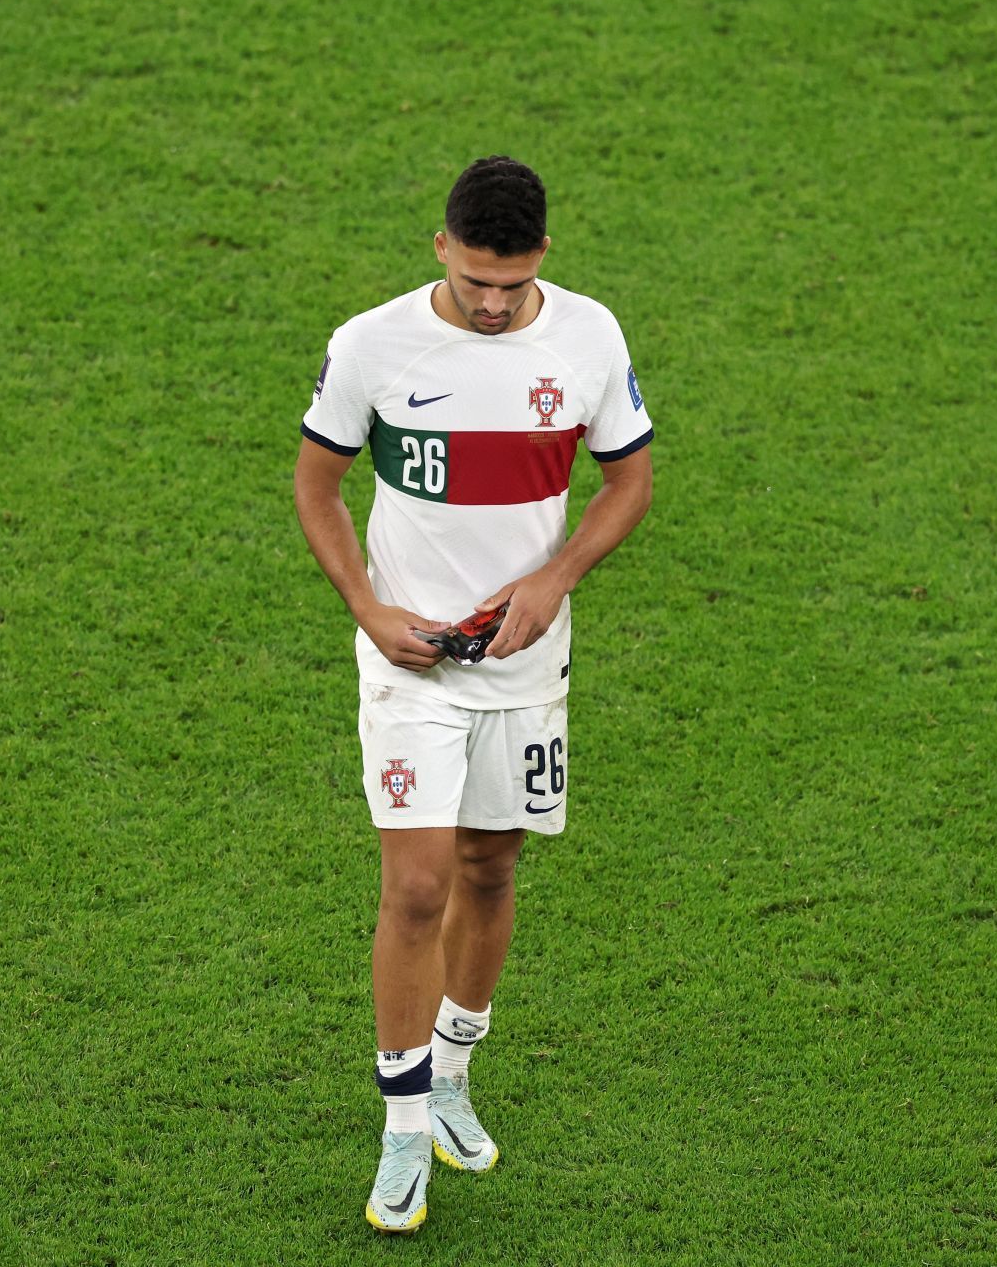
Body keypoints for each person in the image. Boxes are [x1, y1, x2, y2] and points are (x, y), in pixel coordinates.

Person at [292, 155, 654, 1234]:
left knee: (492, 867)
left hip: (524, 661)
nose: (495, 307)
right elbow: (319, 485)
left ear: (543, 257)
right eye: (476, 281)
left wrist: (553, 578)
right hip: (409, 660)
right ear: (442, 246)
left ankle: (453, 1068)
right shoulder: (372, 345)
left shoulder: (589, 335)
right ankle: (403, 1127)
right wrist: (366, 605)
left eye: (515, 283)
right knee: (415, 887)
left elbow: (627, 479)